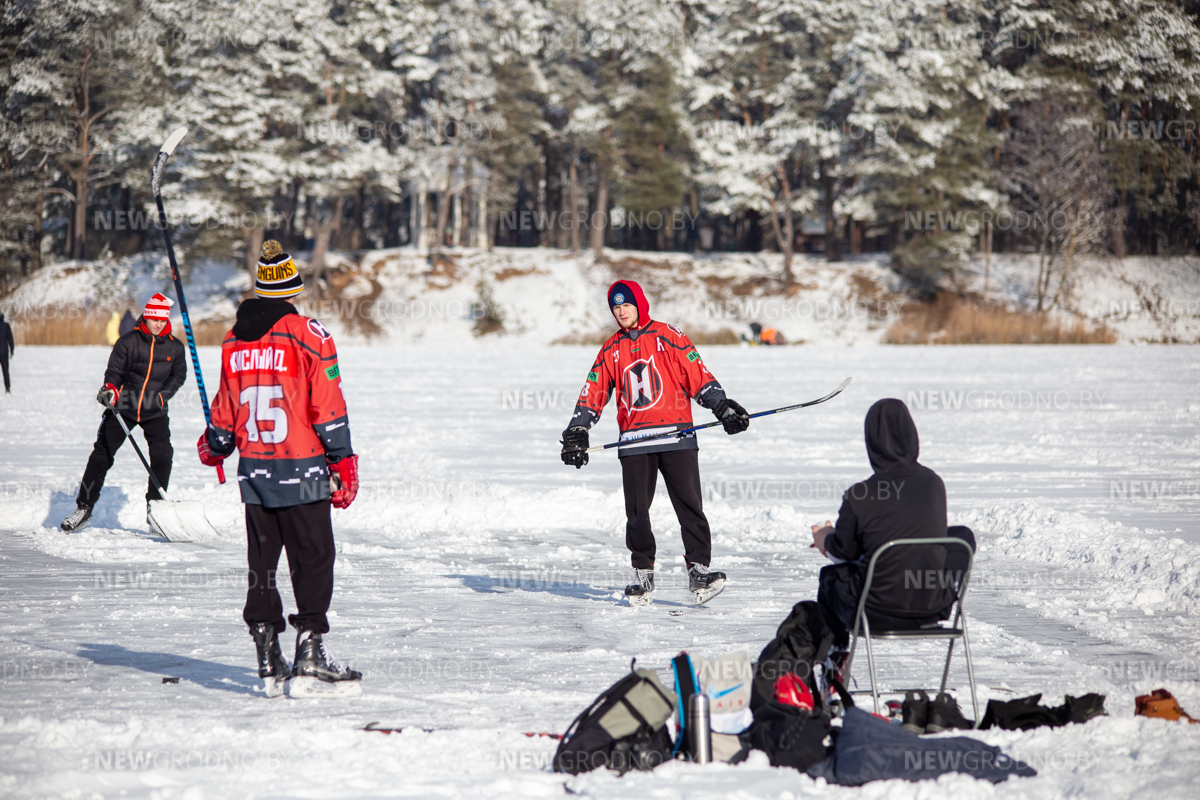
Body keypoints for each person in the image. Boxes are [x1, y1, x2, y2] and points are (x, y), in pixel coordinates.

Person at [197, 239, 361, 698]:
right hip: (303, 469)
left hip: (255, 474)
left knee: (262, 567)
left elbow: (226, 410)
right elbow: (328, 407)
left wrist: (216, 442)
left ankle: (267, 654)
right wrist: (343, 460)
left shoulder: (234, 339)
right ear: (292, 287)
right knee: (313, 560)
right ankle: (310, 652)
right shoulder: (310, 334)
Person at [560, 280, 751, 606]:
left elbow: (699, 376)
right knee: (637, 513)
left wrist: (722, 406)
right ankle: (642, 574)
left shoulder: (669, 335)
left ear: (640, 304)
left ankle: (699, 570)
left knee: (690, 508)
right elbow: (593, 392)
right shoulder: (610, 349)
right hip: (634, 441)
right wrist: (578, 430)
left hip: (677, 436)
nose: (621, 312)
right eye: (616, 308)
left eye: (626, 306)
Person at [810, 398, 975, 658]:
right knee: (961, 536)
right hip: (932, 607)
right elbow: (912, 530)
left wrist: (824, 538)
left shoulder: (860, 495)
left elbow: (844, 555)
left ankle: (835, 659)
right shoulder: (933, 484)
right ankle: (945, 589)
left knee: (829, 578)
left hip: (875, 612)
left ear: (871, 444)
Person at [60, 294, 186, 532]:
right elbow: (114, 373)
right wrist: (110, 389)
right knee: (101, 456)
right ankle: (84, 508)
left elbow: (178, 376)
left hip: (154, 409)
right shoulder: (127, 342)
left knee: (162, 457)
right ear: (147, 317)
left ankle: (155, 512)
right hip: (124, 408)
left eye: (163, 319)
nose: (158, 323)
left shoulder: (175, 347)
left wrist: (162, 396)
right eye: (154, 319)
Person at [0, 311, 13, 393]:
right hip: (4, 352)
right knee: (5, 371)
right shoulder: (6, 326)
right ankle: (7, 388)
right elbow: (10, 339)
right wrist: (12, 349)